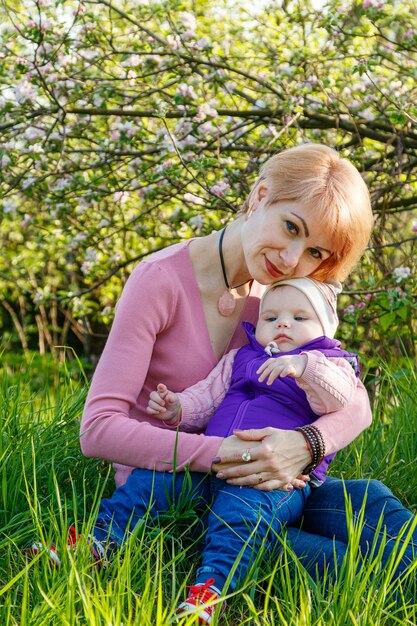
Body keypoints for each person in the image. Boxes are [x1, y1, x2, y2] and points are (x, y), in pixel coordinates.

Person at [79, 144, 416, 609]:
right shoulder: (160, 281)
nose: (293, 257)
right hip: (175, 490)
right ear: (260, 196)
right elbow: (98, 430)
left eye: (314, 250)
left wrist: (305, 446)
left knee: (373, 503)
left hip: (269, 480)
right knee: (348, 565)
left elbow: (356, 403)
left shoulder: (279, 300)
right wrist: (223, 453)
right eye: (291, 227)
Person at [91, 277, 361, 621]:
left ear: (325, 328)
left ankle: (210, 591)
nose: (283, 324)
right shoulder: (240, 357)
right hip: (211, 463)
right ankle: (100, 541)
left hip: (268, 479)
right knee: (150, 482)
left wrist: (304, 367)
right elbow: (209, 396)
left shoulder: (331, 362)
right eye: (271, 316)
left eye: (299, 317)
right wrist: (180, 409)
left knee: (239, 518)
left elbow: (339, 396)